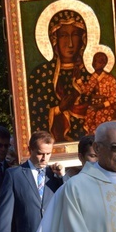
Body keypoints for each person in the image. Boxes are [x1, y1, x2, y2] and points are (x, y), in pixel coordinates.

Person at [28, 9, 89, 141]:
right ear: (54, 39)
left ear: (83, 38)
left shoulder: (89, 75)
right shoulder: (41, 74)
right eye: (64, 36)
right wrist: (58, 109)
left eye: (75, 35)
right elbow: (34, 115)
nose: (70, 43)